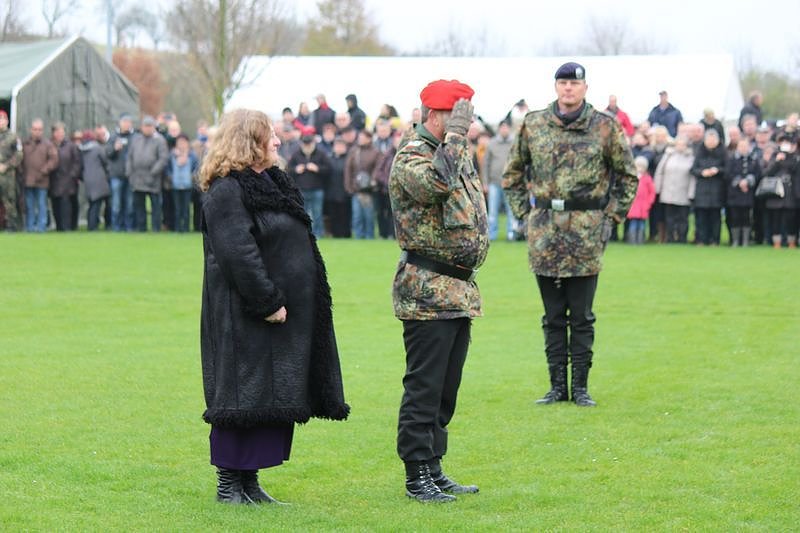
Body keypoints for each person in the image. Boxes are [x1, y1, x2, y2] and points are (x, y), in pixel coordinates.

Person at [198, 108, 349, 505]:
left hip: (279, 315)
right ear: (250, 141)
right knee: (240, 396)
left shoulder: (271, 183)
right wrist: (266, 301)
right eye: (271, 136)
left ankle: (249, 482)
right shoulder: (226, 190)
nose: (279, 142)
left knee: (265, 397)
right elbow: (237, 253)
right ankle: (229, 484)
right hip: (244, 314)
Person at [502, 62, 637, 407]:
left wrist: (612, 217)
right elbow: (512, 174)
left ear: (585, 88)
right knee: (551, 316)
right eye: (562, 83)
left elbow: (627, 176)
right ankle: (556, 386)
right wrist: (523, 215)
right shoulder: (534, 124)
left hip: (585, 231)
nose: (568, 89)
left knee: (581, 315)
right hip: (545, 229)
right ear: (555, 86)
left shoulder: (605, 126)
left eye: (574, 84)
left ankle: (580, 387)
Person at [389, 79, 488, 503]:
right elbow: (436, 186)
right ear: (434, 115)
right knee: (424, 388)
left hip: (458, 289)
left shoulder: (452, 152)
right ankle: (416, 475)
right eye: (456, 116)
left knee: (446, 389)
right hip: (427, 289)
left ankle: (434, 467)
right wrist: (456, 138)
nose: (464, 125)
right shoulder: (413, 155)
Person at [126, 116, 169, 232]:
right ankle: (141, 228)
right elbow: (129, 157)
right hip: (137, 178)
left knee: (155, 206)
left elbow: (163, 158)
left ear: (154, 127)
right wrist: (129, 173)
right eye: (145, 126)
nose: (147, 128)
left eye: (150, 126)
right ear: (142, 127)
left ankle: (156, 228)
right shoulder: (136, 139)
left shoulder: (159, 140)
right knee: (139, 206)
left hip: (153, 179)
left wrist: (154, 172)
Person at [287, 126, 331, 238]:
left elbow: (329, 169)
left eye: (309, 143)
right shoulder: (296, 154)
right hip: (301, 189)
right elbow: (288, 170)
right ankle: (304, 233)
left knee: (317, 214)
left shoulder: (321, 154)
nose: (307, 145)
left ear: (313, 142)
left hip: (317, 189)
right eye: (305, 143)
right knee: (303, 213)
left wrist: (317, 169)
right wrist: (296, 170)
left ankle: (318, 234)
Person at [654, 136, 695, 243]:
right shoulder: (668, 156)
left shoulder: (690, 157)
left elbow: (692, 176)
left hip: (683, 192)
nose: (680, 146)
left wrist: (691, 193)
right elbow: (659, 172)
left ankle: (682, 238)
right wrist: (657, 188)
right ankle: (670, 237)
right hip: (668, 192)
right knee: (669, 217)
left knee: (683, 218)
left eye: (683, 144)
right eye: (678, 144)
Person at [690, 130, 727, 246]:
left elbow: (727, 169)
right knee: (701, 217)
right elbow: (693, 169)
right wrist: (702, 172)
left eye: (713, 139)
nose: (711, 142)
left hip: (717, 190)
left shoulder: (723, 153)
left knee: (715, 218)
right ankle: (701, 239)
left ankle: (714, 240)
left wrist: (717, 170)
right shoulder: (700, 152)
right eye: (708, 139)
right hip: (702, 190)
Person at [22, 118, 59, 232]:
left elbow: (54, 160)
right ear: (31, 130)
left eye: (39, 129)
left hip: (42, 180)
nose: (37, 131)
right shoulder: (25, 144)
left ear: (42, 131)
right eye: (35, 129)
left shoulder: (48, 144)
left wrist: (44, 170)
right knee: (29, 205)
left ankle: (41, 227)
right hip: (28, 179)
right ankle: (30, 227)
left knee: (42, 205)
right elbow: (19, 159)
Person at [482, 119, 516, 240]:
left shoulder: (515, 143)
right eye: (502, 127)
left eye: (506, 127)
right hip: (494, 183)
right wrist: (485, 183)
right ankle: (492, 235)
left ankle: (511, 233)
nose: (504, 129)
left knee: (511, 212)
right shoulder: (492, 143)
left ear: (509, 129)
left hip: (510, 183)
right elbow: (485, 164)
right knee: (492, 212)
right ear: (499, 129)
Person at [763, 135, 799, 248]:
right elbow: (766, 173)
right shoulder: (774, 157)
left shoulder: (795, 158)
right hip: (776, 192)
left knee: (791, 218)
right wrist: (777, 161)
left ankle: (791, 240)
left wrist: (788, 157)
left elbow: (795, 169)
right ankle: (776, 241)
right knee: (776, 218)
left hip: (791, 193)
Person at [344, 129, 380, 239]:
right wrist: (348, 186)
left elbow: (378, 168)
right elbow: (348, 169)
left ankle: (370, 236)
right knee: (357, 216)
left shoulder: (376, 152)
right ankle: (358, 236)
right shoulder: (354, 151)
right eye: (360, 137)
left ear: (369, 138)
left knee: (368, 216)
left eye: (363, 137)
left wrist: (372, 181)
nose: (360, 139)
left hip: (369, 190)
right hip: (356, 189)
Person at [726, 138, 761, 246]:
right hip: (734, 194)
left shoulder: (753, 160)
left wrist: (748, 181)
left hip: (748, 193)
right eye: (741, 146)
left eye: (745, 146)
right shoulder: (731, 160)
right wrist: (739, 182)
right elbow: (728, 174)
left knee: (746, 217)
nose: (743, 148)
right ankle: (735, 240)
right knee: (735, 217)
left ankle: (745, 240)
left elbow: (758, 174)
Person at [49, 122, 82, 231]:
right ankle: (59, 227)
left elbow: (77, 162)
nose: (60, 134)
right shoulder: (49, 145)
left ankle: (67, 227)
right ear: (53, 133)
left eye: (62, 132)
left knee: (67, 206)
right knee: (56, 206)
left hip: (68, 182)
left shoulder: (71, 146)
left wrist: (72, 175)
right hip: (54, 181)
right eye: (58, 132)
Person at [107, 114, 135, 231]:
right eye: (124, 122)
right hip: (116, 175)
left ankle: (129, 226)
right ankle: (116, 226)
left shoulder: (135, 137)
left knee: (129, 203)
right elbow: (108, 154)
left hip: (130, 175)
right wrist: (115, 149)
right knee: (116, 203)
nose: (126, 125)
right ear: (119, 123)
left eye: (128, 122)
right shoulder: (113, 137)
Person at [78, 130, 110, 231]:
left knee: (92, 203)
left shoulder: (80, 150)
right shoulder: (98, 148)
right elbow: (105, 161)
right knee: (97, 204)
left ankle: (91, 224)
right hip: (99, 178)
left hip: (87, 179)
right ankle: (93, 226)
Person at [168, 133, 199, 233]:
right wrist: (171, 177)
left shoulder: (192, 155)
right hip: (175, 185)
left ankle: (186, 228)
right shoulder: (172, 155)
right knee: (177, 208)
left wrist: (192, 176)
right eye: (179, 142)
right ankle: (177, 228)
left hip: (188, 185)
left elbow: (196, 168)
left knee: (186, 208)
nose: (181, 144)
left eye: (183, 142)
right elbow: (167, 168)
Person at [626, 157, 656, 244]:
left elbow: (652, 192)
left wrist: (649, 202)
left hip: (644, 205)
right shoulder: (632, 177)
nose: (640, 169)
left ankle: (640, 240)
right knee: (633, 224)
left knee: (642, 225)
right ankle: (632, 240)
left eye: (642, 167)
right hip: (634, 206)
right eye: (638, 166)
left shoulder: (647, 179)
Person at [0, 110, 22, 231]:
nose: (0, 122)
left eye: (2, 119)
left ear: (7, 121)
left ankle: (11, 225)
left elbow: (19, 154)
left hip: (7, 175)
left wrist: (7, 165)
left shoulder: (13, 137)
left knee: (9, 200)